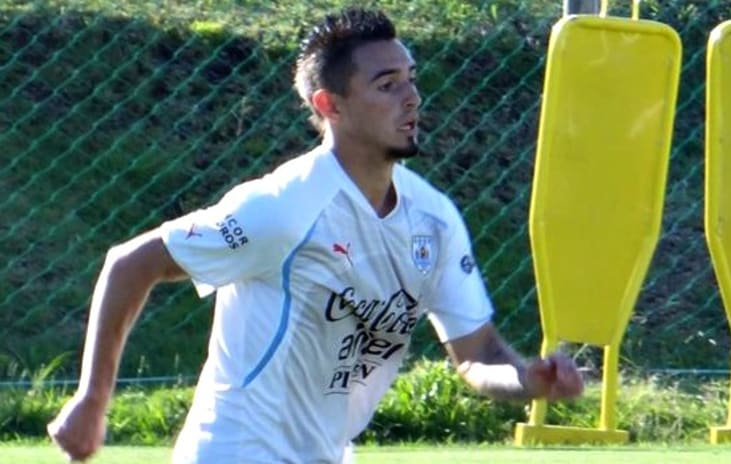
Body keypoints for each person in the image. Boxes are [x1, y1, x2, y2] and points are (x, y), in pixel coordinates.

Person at [47, 7, 584, 463]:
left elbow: (478, 352)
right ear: (329, 106)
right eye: (387, 84)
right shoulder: (283, 207)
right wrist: (93, 398)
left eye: (411, 78)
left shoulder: (434, 219)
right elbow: (130, 262)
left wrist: (528, 380)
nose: (413, 97)